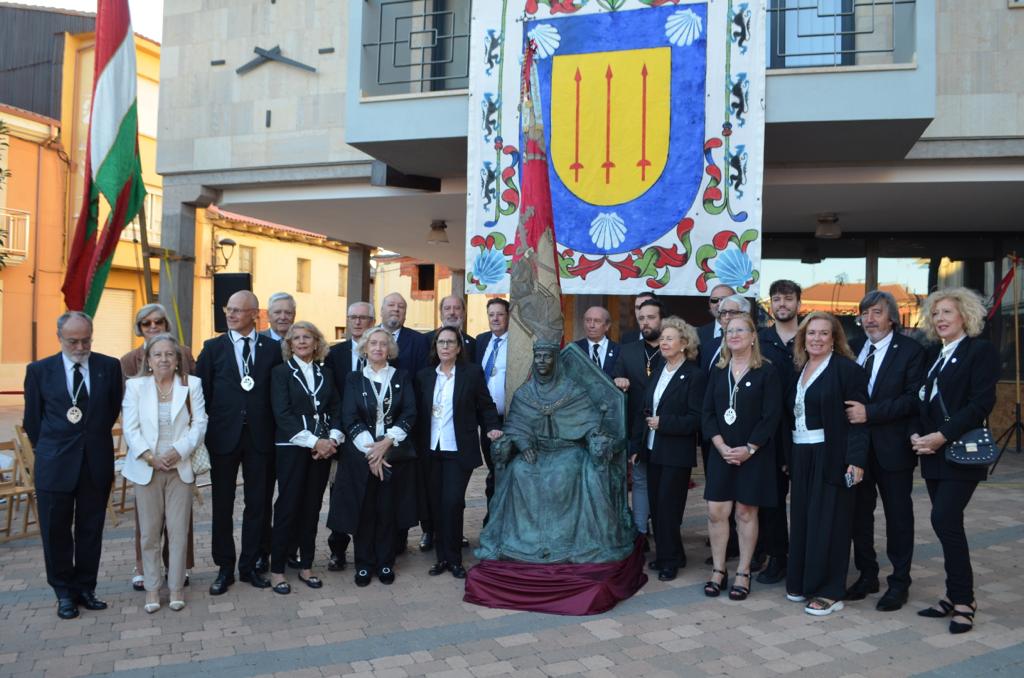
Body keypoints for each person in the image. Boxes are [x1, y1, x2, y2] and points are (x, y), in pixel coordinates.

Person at [476, 341, 634, 563]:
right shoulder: (525, 393)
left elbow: (590, 424)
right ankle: (522, 542)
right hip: (535, 450)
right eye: (538, 356)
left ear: (555, 360)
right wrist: (524, 445)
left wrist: (594, 438)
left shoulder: (573, 391)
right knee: (520, 471)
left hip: (569, 449)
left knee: (562, 476)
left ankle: (562, 543)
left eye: (547, 356)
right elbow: (515, 427)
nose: (541, 361)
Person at [23, 311, 123, 619]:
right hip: (55, 465)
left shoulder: (108, 366)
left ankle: (86, 588)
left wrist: (89, 438)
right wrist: (54, 448)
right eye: (73, 341)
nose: (80, 347)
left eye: (86, 340)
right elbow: (33, 421)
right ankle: (63, 592)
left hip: (95, 461)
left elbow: (110, 410)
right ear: (60, 338)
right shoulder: (40, 370)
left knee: (91, 529)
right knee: (56, 532)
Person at [911, 287, 999, 635]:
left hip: (960, 452)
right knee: (947, 525)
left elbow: (980, 404)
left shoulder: (980, 351)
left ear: (965, 315)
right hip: (933, 453)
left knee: (944, 518)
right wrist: (917, 435)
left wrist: (941, 435)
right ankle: (953, 594)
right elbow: (921, 400)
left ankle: (965, 601)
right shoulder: (932, 353)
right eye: (936, 314)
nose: (941, 319)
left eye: (948, 312)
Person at [195, 291, 283, 595]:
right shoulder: (212, 348)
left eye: (237, 311)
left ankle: (250, 565)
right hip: (223, 437)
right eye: (228, 309)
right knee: (222, 505)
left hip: (261, 437)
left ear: (254, 314)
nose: (230, 315)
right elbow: (201, 394)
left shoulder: (273, 349)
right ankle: (224, 567)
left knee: (258, 505)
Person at [845, 290, 925, 611]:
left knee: (898, 516)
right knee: (859, 516)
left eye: (876, 312)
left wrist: (870, 413)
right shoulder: (853, 350)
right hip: (858, 451)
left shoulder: (911, 351)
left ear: (892, 317)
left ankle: (900, 582)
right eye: (865, 313)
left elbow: (912, 398)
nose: (869, 319)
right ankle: (867, 575)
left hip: (894, 450)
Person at [786, 312, 868, 616]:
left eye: (823, 333)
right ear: (803, 338)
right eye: (811, 333)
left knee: (831, 523)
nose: (816, 339)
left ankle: (830, 591)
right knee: (805, 519)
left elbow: (858, 420)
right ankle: (803, 581)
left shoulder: (847, 371)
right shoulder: (799, 369)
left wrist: (856, 460)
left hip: (832, 454)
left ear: (834, 339)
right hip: (801, 453)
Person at [121, 333, 207, 613]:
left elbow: (200, 423)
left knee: (178, 531)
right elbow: (130, 428)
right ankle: (152, 589)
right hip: (147, 468)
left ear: (177, 359)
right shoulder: (135, 387)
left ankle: (176, 587)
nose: (164, 359)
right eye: (157, 354)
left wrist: (177, 451)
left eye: (169, 354)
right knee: (149, 533)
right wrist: (149, 456)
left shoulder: (191, 384)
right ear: (148, 360)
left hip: (178, 466)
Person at [328, 327, 418, 586]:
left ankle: (385, 563)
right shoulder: (353, 379)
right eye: (373, 343)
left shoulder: (401, 375)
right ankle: (364, 564)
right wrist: (372, 452)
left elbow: (410, 412)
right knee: (364, 512)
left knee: (387, 510)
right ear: (365, 348)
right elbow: (349, 417)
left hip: (393, 453)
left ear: (390, 349)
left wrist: (386, 443)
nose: (378, 348)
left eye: (383, 344)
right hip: (361, 456)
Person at [702, 314, 782, 600]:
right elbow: (708, 413)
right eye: (729, 331)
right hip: (721, 453)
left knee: (745, 512)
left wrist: (750, 448)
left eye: (740, 330)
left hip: (754, 454)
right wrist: (721, 445)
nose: (733, 334)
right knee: (716, 512)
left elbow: (771, 416)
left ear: (752, 336)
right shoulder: (717, 370)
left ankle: (744, 571)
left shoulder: (767, 371)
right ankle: (719, 570)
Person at [415, 326, 502, 578]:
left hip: (458, 450)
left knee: (452, 503)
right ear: (435, 347)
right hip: (431, 449)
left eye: (450, 342)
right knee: (435, 505)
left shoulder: (471, 374)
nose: (445, 346)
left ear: (458, 347)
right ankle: (441, 558)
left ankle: (454, 560)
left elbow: (486, 406)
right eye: (441, 342)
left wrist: (492, 428)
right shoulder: (424, 376)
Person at [268, 322, 343, 594]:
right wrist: (316, 442)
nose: (301, 342)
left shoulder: (327, 372)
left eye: (307, 338)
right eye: (296, 338)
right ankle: (277, 570)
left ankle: (306, 564)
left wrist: (332, 439)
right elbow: (282, 414)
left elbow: (336, 408)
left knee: (312, 508)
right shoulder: (280, 373)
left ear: (316, 343)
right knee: (288, 506)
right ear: (289, 344)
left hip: (322, 450)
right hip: (292, 447)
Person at [632, 317, 704, 581]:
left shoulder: (694, 375)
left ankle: (669, 560)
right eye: (662, 338)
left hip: (676, 452)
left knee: (668, 508)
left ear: (684, 344)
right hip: (652, 450)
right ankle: (673, 553)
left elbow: (697, 418)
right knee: (657, 505)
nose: (663, 342)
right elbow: (646, 408)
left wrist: (665, 423)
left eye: (669, 338)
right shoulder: (660, 368)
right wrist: (638, 445)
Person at [321, 300, 376, 570]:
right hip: (342, 435)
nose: (357, 322)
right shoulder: (334, 354)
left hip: (374, 438)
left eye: (363, 318)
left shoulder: (381, 352)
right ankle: (338, 550)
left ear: (372, 322)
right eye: (352, 317)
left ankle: (368, 549)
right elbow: (330, 396)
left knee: (370, 494)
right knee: (340, 495)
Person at [756, 280, 801, 584]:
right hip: (771, 434)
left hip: (804, 433)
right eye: (776, 299)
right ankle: (777, 557)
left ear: (799, 302)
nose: (782, 304)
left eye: (787, 299)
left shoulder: (811, 336)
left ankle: (803, 556)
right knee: (770, 502)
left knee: (805, 501)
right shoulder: (761, 340)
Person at [613, 298, 666, 542]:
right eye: (642, 318)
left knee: (665, 487)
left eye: (651, 317)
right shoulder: (628, 350)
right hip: (637, 429)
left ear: (662, 320)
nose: (645, 322)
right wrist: (618, 380)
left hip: (667, 429)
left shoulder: (672, 349)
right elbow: (616, 376)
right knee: (641, 481)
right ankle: (640, 534)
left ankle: (666, 533)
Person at [380, 291, 429, 553]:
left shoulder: (418, 341)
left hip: (406, 427)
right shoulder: (371, 338)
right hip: (371, 428)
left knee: (401, 486)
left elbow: (421, 383)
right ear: (382, 310)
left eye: (401, 306)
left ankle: (398, 540)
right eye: (391, 305)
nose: (395, 310)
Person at [259, 292, 296, 570]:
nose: (283, 317)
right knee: (261, 497)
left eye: (288, 312)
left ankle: (287, 550)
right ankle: (262, 551)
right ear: (268, 315)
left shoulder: (302, 341)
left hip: (294, 437)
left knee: (290, 496)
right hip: (261, 434)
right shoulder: (258, 343)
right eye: (278, 312)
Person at [475, 298, 510, 525]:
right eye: (491, 315)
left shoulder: (517, 343)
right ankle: (493, 515)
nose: (495, 318)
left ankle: (503, 517)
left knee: (506, 469)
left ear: (508, 317)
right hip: (486, 419)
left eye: (500, 314)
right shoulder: (481, 341)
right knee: (492, 468)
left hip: (509, 418)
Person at [697, 284, 736, 370]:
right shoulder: (699, 334)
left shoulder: (749, 332)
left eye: (724, 299)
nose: (719, 303)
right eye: (714, 300)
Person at [574, 305, 619, 378]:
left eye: (597, 321)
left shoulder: (619, 350)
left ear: (607, 326)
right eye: (588, 320)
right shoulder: (575, 348)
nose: (591, 325)